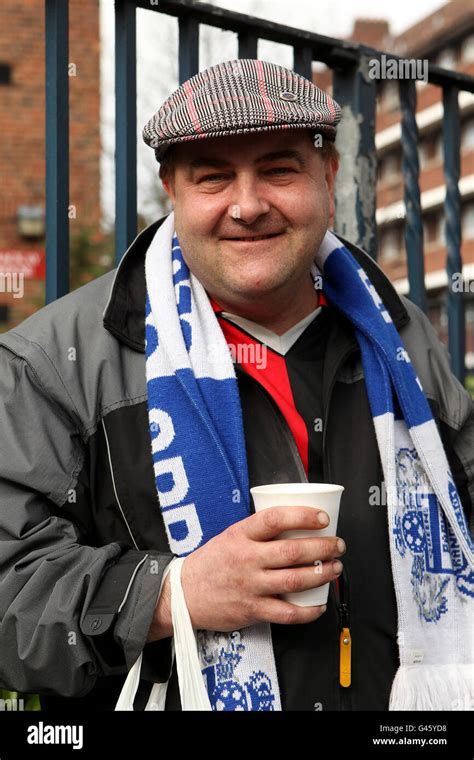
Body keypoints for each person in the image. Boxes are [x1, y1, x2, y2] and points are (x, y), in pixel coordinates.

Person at [0, 59, 472, 712]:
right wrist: (172, 594)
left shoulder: (401, 336)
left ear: (328, 177)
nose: (247, 207)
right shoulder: (55, 361)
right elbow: (9, 600)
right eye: (214, 176)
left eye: (279, 169)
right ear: (171, 188)